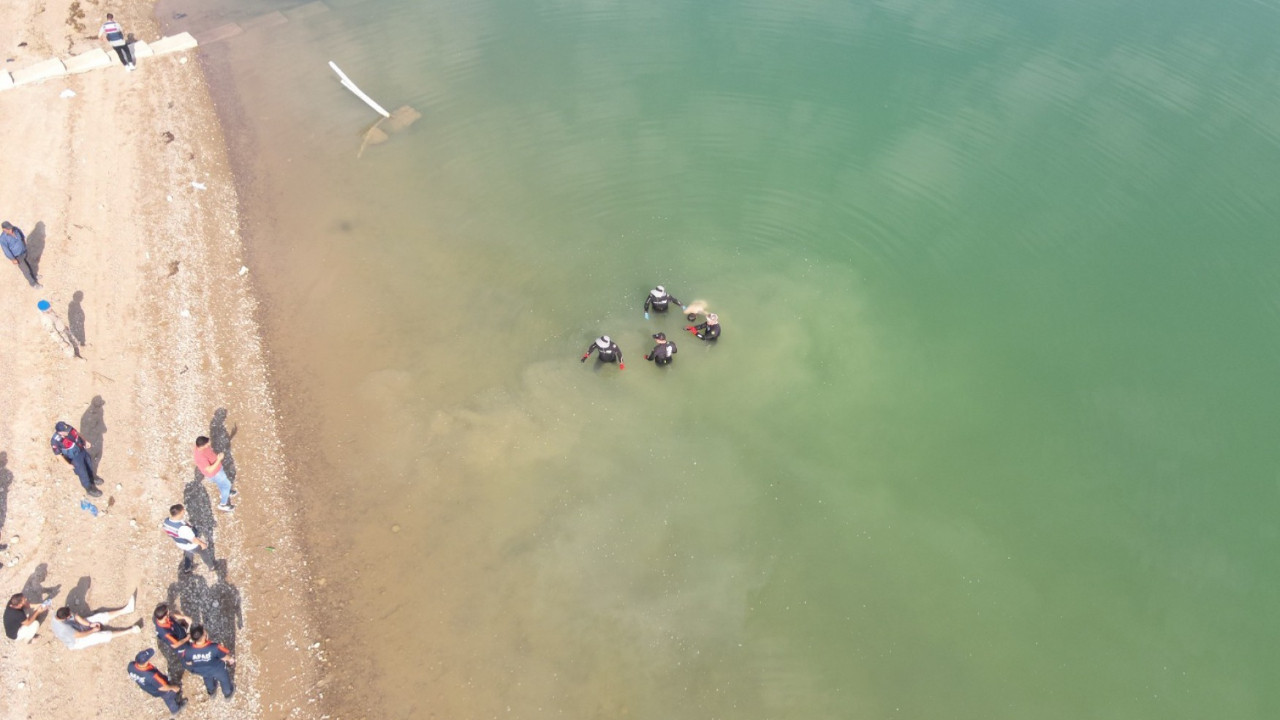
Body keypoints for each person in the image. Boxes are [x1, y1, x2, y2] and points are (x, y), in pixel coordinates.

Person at [51, 594, 140, 650]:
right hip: (77, 641)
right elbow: (79, 635)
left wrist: (90, 624)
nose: (71, 615)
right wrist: (93, 630)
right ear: (65, 618)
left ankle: (126, 610)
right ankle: (130, 630)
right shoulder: (64, 629)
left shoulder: (58, 614)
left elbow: (76, 617)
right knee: (100, 636)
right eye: (70, 616)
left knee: (98, 617)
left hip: (76, 627)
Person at [178, 625, 235, 699]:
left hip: (201, 670)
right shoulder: (214, 647)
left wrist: (199, 661)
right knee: (224, 679)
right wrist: (230, 659)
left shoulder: (188, 650)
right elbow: (224, 656)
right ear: (204, 635)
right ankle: (228, 694)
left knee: (207, 679)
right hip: (217, 669)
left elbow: (188, 662)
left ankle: (211, 692)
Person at [50, 421, 103, 497]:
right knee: (82, 472)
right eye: (65, 431)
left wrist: (85, 441)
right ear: (60, 432)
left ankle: (92, 478)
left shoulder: (68, 428)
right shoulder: (55, 441)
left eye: (67, 429)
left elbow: (77, 434)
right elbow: (58, 455)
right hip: (74, 457)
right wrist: (67, 464)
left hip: (82, 450)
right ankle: (89, 488)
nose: (68, 431)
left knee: (89, 464)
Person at [128, 648, 185, 715]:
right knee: (169, 696)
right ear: (145, 662)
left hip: (148, 687)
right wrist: (173, 688)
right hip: (158, 690)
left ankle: (175, 699)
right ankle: (175, 709)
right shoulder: (151, 675)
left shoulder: (131, 666)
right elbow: (162, 687)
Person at [193, 436, 235, 512]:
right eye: (207, 443)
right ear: (203, 445)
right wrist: (218, 460)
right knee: (227, 484)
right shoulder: (200, 457)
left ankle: (225, 492)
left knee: (222, 484)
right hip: (215, 473)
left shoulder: (199, 446)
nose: (209, 443)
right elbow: (209, 469)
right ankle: (223, 504)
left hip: (218, 471)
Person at [163, 504, 208, 575]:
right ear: (180, 513)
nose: (184, 511)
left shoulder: (166, 521)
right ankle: (211, 566)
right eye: (183, 510)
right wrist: (202, 544)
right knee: (203, 552)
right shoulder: (183, 528)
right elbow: (194, 540)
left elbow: (167, 531)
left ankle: (187, 568)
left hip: (180, 543)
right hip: (190, 544)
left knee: (188, 552)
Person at [1, 221, 39, 288]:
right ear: (4, 229)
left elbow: (21, 235)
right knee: (25, 270)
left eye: (11, 228)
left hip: (24, 251)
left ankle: (34, 276)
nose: (11, 230)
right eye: (9, 229)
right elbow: (6, 250)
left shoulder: (15, 229)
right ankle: (33, 284)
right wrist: (13, 259)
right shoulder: (3, 239)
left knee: (29, 263)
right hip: (17, 256)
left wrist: (24, 244)